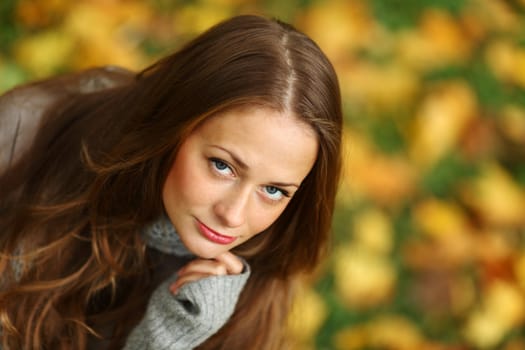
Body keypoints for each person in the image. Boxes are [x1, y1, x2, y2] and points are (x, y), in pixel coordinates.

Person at [0, 14, 342, 350]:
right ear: (172, 127)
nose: (233, 216)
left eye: (273, 190)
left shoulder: (252, 275)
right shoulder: (27, 136)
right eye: (222, 166)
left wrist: (166, 339)